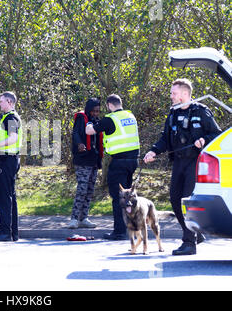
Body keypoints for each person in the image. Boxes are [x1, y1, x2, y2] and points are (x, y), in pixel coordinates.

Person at [143, 78, 221, 255]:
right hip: (179, 162)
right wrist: (153, 151)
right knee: (175, 199)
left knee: (187, 199)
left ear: (185, 94)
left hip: (195, 162)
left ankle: (189, 242)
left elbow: (216, 134)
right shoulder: (172, 113)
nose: (171, 96)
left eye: (174, 93)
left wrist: (204, 140)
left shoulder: (201, 111)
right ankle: (194, 233)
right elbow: (165, 138)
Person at [86, 94, 140, 240]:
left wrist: (89, 124)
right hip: (133, 161)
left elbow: (89, 131)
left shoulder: (110, 119)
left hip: (119, 162)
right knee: (130, 197)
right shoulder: (130, 116)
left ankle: (119, 232)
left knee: (118, 198)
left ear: (110, 105)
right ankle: (132, 229)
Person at [0, 92, 22, 242]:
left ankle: (5, 232)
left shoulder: (11, 118)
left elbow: (13, 138)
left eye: (1, 101)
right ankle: (13, 233)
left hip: (7, 160)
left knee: (3, 197)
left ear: (9, 101)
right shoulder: (7, 118)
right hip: (9, 160)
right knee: (10, 196)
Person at [69, 98, 103, 229]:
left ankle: (84, 218)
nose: (95, 113)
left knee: (90, 190)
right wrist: (79, 144)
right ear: (88, 110)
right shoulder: (81, 118)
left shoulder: (97, 121)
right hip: (82, 159)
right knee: (82, 189)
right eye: (93, 111)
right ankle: (74, 218)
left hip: (94, 160)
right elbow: (76, 133)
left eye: (98, 111)